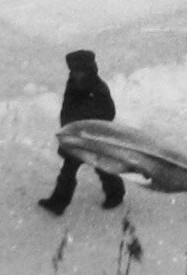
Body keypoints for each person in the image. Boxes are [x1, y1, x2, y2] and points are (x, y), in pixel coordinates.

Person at [39, 48, 124, 214]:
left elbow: (109, 113)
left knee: (103, 168)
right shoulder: (73, 84)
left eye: (79, 70)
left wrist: (87, 123)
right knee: (68, 171)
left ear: (88, 69)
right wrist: (68, 128)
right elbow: (68, 108)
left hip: (94, 139)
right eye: (73, 70)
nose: (75, 74)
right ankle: (58, 202)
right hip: (75, 137)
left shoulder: (98, 88)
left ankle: (115, 194)